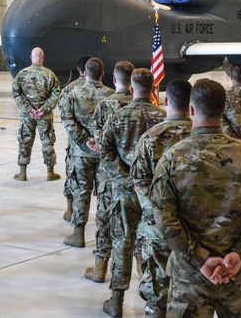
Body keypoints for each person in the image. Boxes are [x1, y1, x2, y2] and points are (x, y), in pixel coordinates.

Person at [151, 78, 241, 317]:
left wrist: (200, 259)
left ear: (190, 110)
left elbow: (164, 220)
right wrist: (240, 253)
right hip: (237, 274)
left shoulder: (172, 159)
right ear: (224, 110)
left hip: (190, 280)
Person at [99, 68, 166, 317]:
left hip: (125, 192)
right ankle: (152, 300)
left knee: (122, 244)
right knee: (153, 246)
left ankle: (116, 301)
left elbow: (105, 152)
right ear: (152, 88)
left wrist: (125, 178)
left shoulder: (118, 117)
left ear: (131, 87)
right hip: (153, 195)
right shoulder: (163, 118)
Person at [131, 78, 193, 318]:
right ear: (191, 105)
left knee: (157, 287)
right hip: (196, 228)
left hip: (157, 228)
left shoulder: (150, 138)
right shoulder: (203, 137)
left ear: (166, 101)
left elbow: (140, 183)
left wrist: (158, 217)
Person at [85, 61, 136, 284]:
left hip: (110, 177)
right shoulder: (147, 109)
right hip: (138, 180)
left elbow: (100, 143)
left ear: (113, 80)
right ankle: (144, 273)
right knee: (140, 228)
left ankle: (100, 268)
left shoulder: (105, 107)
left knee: (105, 222)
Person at [59, 57, 113, 248]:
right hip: (104, 155)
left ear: (85, 72)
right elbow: (115, 127)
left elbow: (67, 120)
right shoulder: (112, 96)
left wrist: (84, 140)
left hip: (80, 154)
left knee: (81, 193)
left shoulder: (73, 94)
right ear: (103, 73)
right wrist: (99, 142)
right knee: (105, 196)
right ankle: (103, 237)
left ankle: (78, 234)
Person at [11, 47, 62, 182]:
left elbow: (17, 93)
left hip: (27, 116)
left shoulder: (22, 74)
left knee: (25, 141)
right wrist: (44, 108)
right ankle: (50, 172)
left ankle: (22, 172)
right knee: (47, 141)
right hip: (44, 115)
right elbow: (56, 93)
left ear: (30, 57)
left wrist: (29, 109)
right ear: (43, 58)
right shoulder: (50, 75)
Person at [59, 57, 92, 222]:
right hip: (98, 145)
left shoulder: (69, 90)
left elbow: (63, 114)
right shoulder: (109, 93)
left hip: (76, 143)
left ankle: (70, 209)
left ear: (79, 70)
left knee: (73, 176)